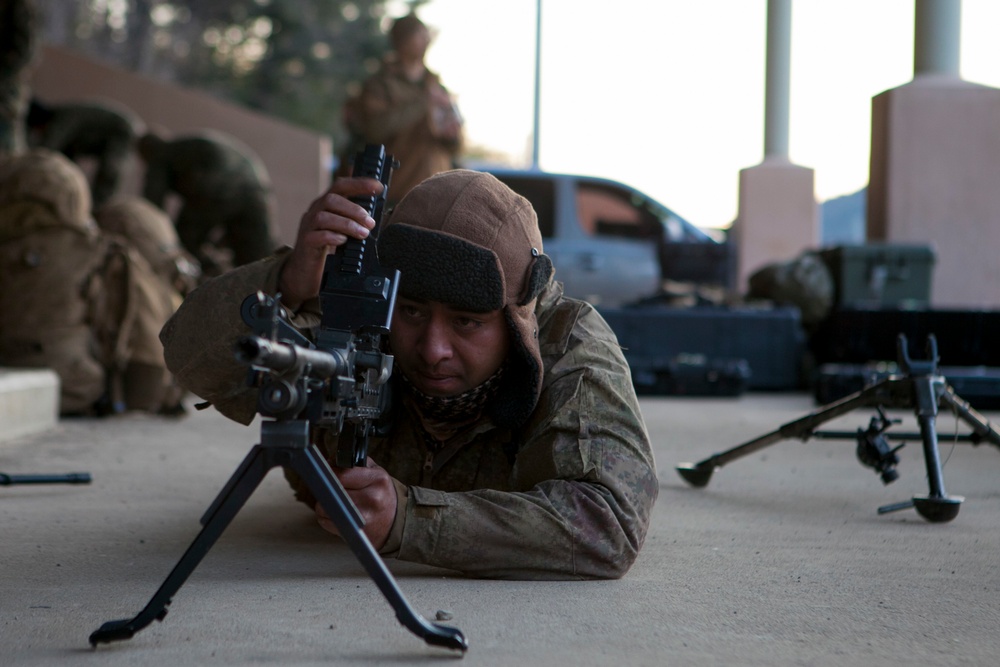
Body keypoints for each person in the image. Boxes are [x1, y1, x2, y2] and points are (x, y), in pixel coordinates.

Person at [159, 169, 658, 579]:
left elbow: (606, 526)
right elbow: (187, 357)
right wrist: (286, 282)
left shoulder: (570, 343)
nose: (433, 350)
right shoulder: (359, 313)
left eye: (466, 322)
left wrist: (409, 521)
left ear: (517, 319)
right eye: (413, 312)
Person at [340, 13, 463, 205]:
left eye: (425, 34)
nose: (425, 39)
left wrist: (452, 134)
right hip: (396, 193)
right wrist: (423, 103)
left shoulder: (435, 85)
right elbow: (376, 129)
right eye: (417, 34)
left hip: (438, 193)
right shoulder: (380, 85)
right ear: (401, 40)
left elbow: (456, 146)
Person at [137, 128, 277, 275]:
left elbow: (151, 208)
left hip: (219, 183)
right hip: (255, 188)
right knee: (258, 261)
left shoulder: (160, 154)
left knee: (184, 244)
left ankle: (190, 281)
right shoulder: (186, 146)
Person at [26, 98, 145, 209]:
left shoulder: (60, 120)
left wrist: (94, 207)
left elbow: (44, 152)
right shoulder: (64, 121)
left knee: (108, 172)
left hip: (124, 131)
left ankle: (97, 209)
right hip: (118, 131)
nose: (38, 134)